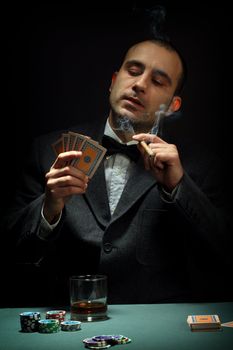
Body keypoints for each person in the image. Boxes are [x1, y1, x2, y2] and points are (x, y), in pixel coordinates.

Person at [3, 38, 232, 307]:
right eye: (133, 72)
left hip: (159, 334)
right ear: (114, 81)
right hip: (69, 328)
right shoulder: (46, 151)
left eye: (158, 81)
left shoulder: (200, 165)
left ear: (172, 105)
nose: (139, 85)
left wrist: (179, 187)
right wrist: (48, 209)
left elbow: (224, 255)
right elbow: (8, 254)